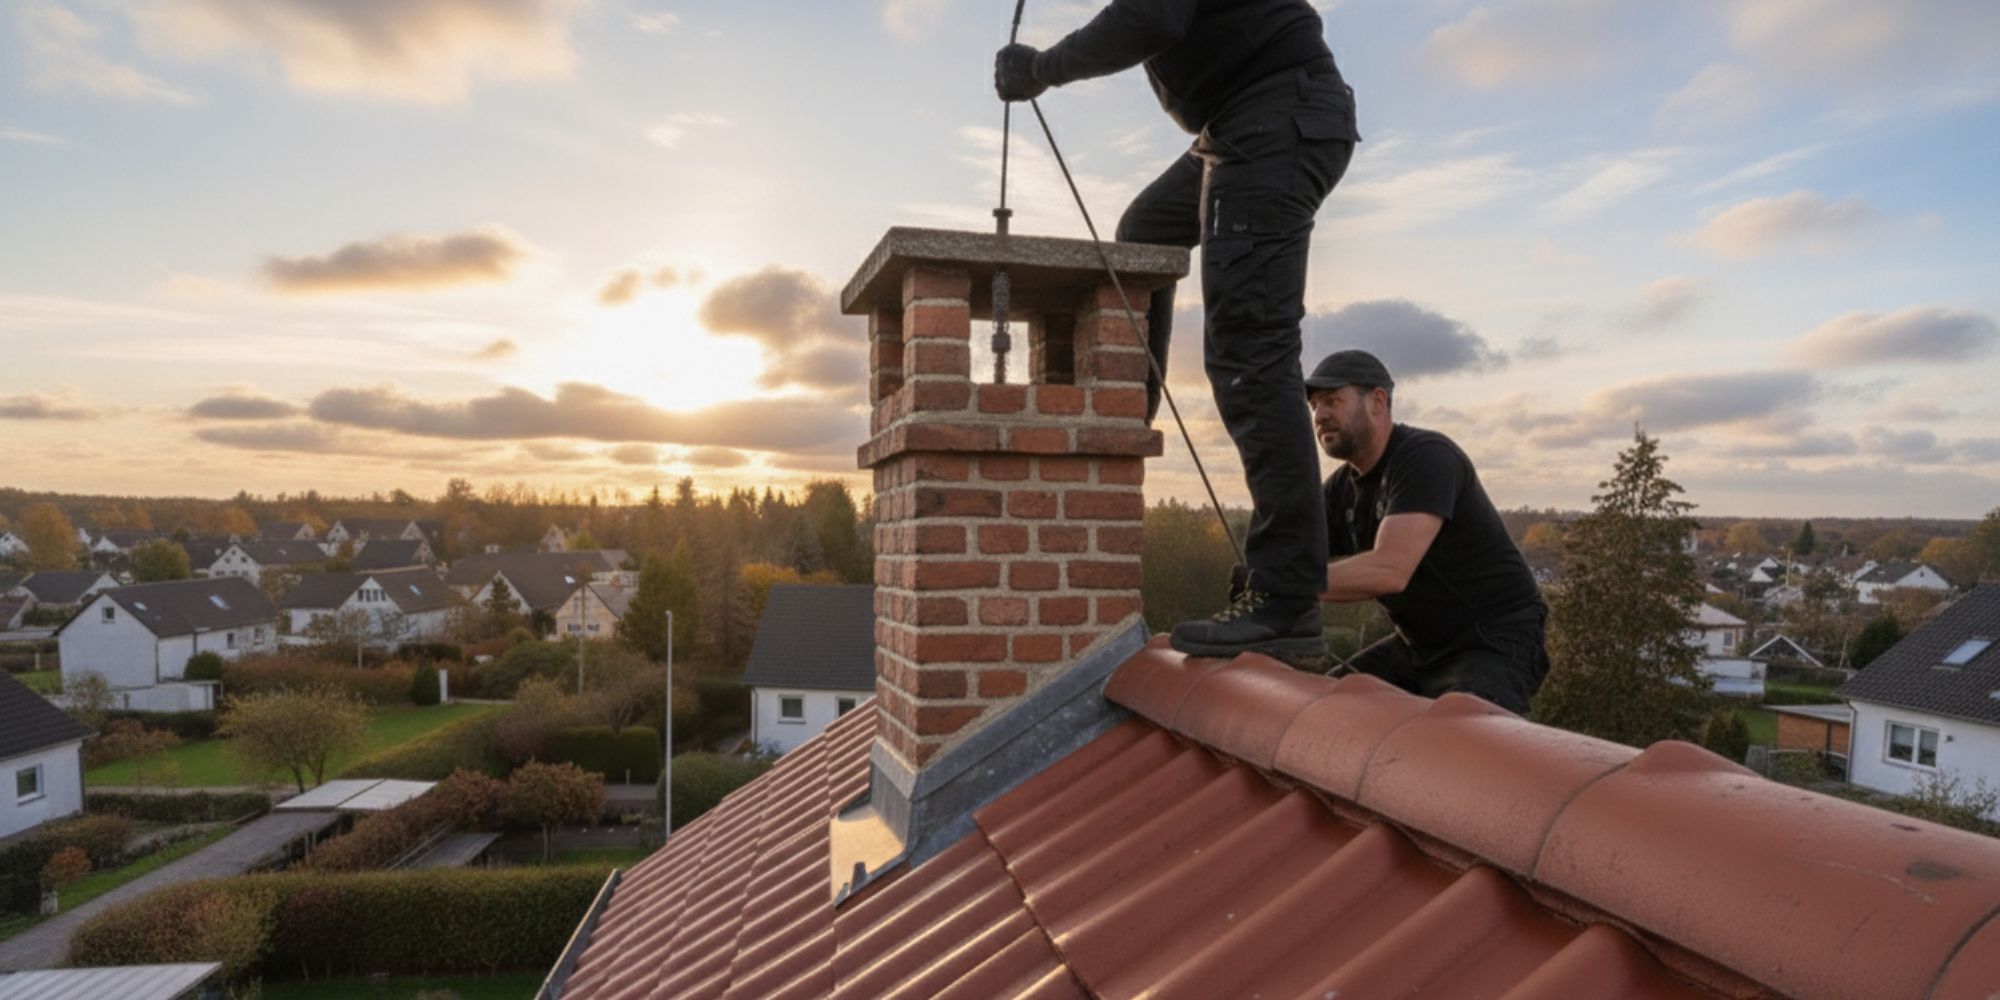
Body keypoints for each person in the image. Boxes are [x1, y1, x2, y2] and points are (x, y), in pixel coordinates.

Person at [995, 0, 1359, 660]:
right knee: (1148, 230)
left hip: (1274, 114)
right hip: (1248, 120)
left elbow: (1150, 17)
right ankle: (1127, 405)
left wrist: (1040, 68)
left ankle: (1286, 601)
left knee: (1250, 350)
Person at [1306, 350, 1549, 713]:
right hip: (1418, 645)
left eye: (1332, 401)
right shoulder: (1341, 489)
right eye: (1313, 406)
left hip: (1493, 641)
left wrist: (1284, 584)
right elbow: (1295, 552)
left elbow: (1390, 569)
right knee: (1327, 711)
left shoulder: (1425, 457)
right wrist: (1260, 576)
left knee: (1460, 742)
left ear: (1377, 401)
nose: (1319, 415)